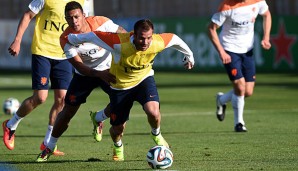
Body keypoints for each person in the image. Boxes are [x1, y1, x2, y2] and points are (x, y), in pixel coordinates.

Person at [37, 19, 195, 161]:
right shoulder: (118, 42)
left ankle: (156, 134)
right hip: (120, 86)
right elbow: (93, 36)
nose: (145, 42)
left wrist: (190, 55)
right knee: (117, 128)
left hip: (144, 80)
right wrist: (72, 38)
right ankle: (117, 145)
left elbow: (174, 39)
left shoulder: (157, 42)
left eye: (148, 38)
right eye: (141, 38)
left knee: (153, 111)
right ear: (134, 34)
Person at [35, 1, 126, 162]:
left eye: (77, 17)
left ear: (84, 15)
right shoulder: (66, 38)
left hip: (109, 70)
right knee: (67, 112)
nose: (74, 21)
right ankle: (49, 146)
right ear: (65, 19)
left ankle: (114, 141)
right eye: (69, 18)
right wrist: (99, 74)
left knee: (122, 106)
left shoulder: (101, 23)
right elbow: (79, 66)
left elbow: (124, 35)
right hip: (84, 75)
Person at [3, 0, 91, 155]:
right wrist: (17, 40)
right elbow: (27, 15)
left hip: (64, 54)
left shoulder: (81, 1)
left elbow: (85, 24)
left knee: (62, 100)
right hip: (42, 51)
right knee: (40, 97)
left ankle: (48, 143)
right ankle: (11, 125)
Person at [207, 0, 271, 132]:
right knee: (240, 86)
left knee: (248, 91)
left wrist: (266, 37)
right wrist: (221, 52)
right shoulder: (226, 6)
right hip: (230, 49)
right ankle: (239, 123)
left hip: (248, 50)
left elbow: (267, 14)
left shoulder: (257, 1)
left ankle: (222, 100)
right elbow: (211, 29)